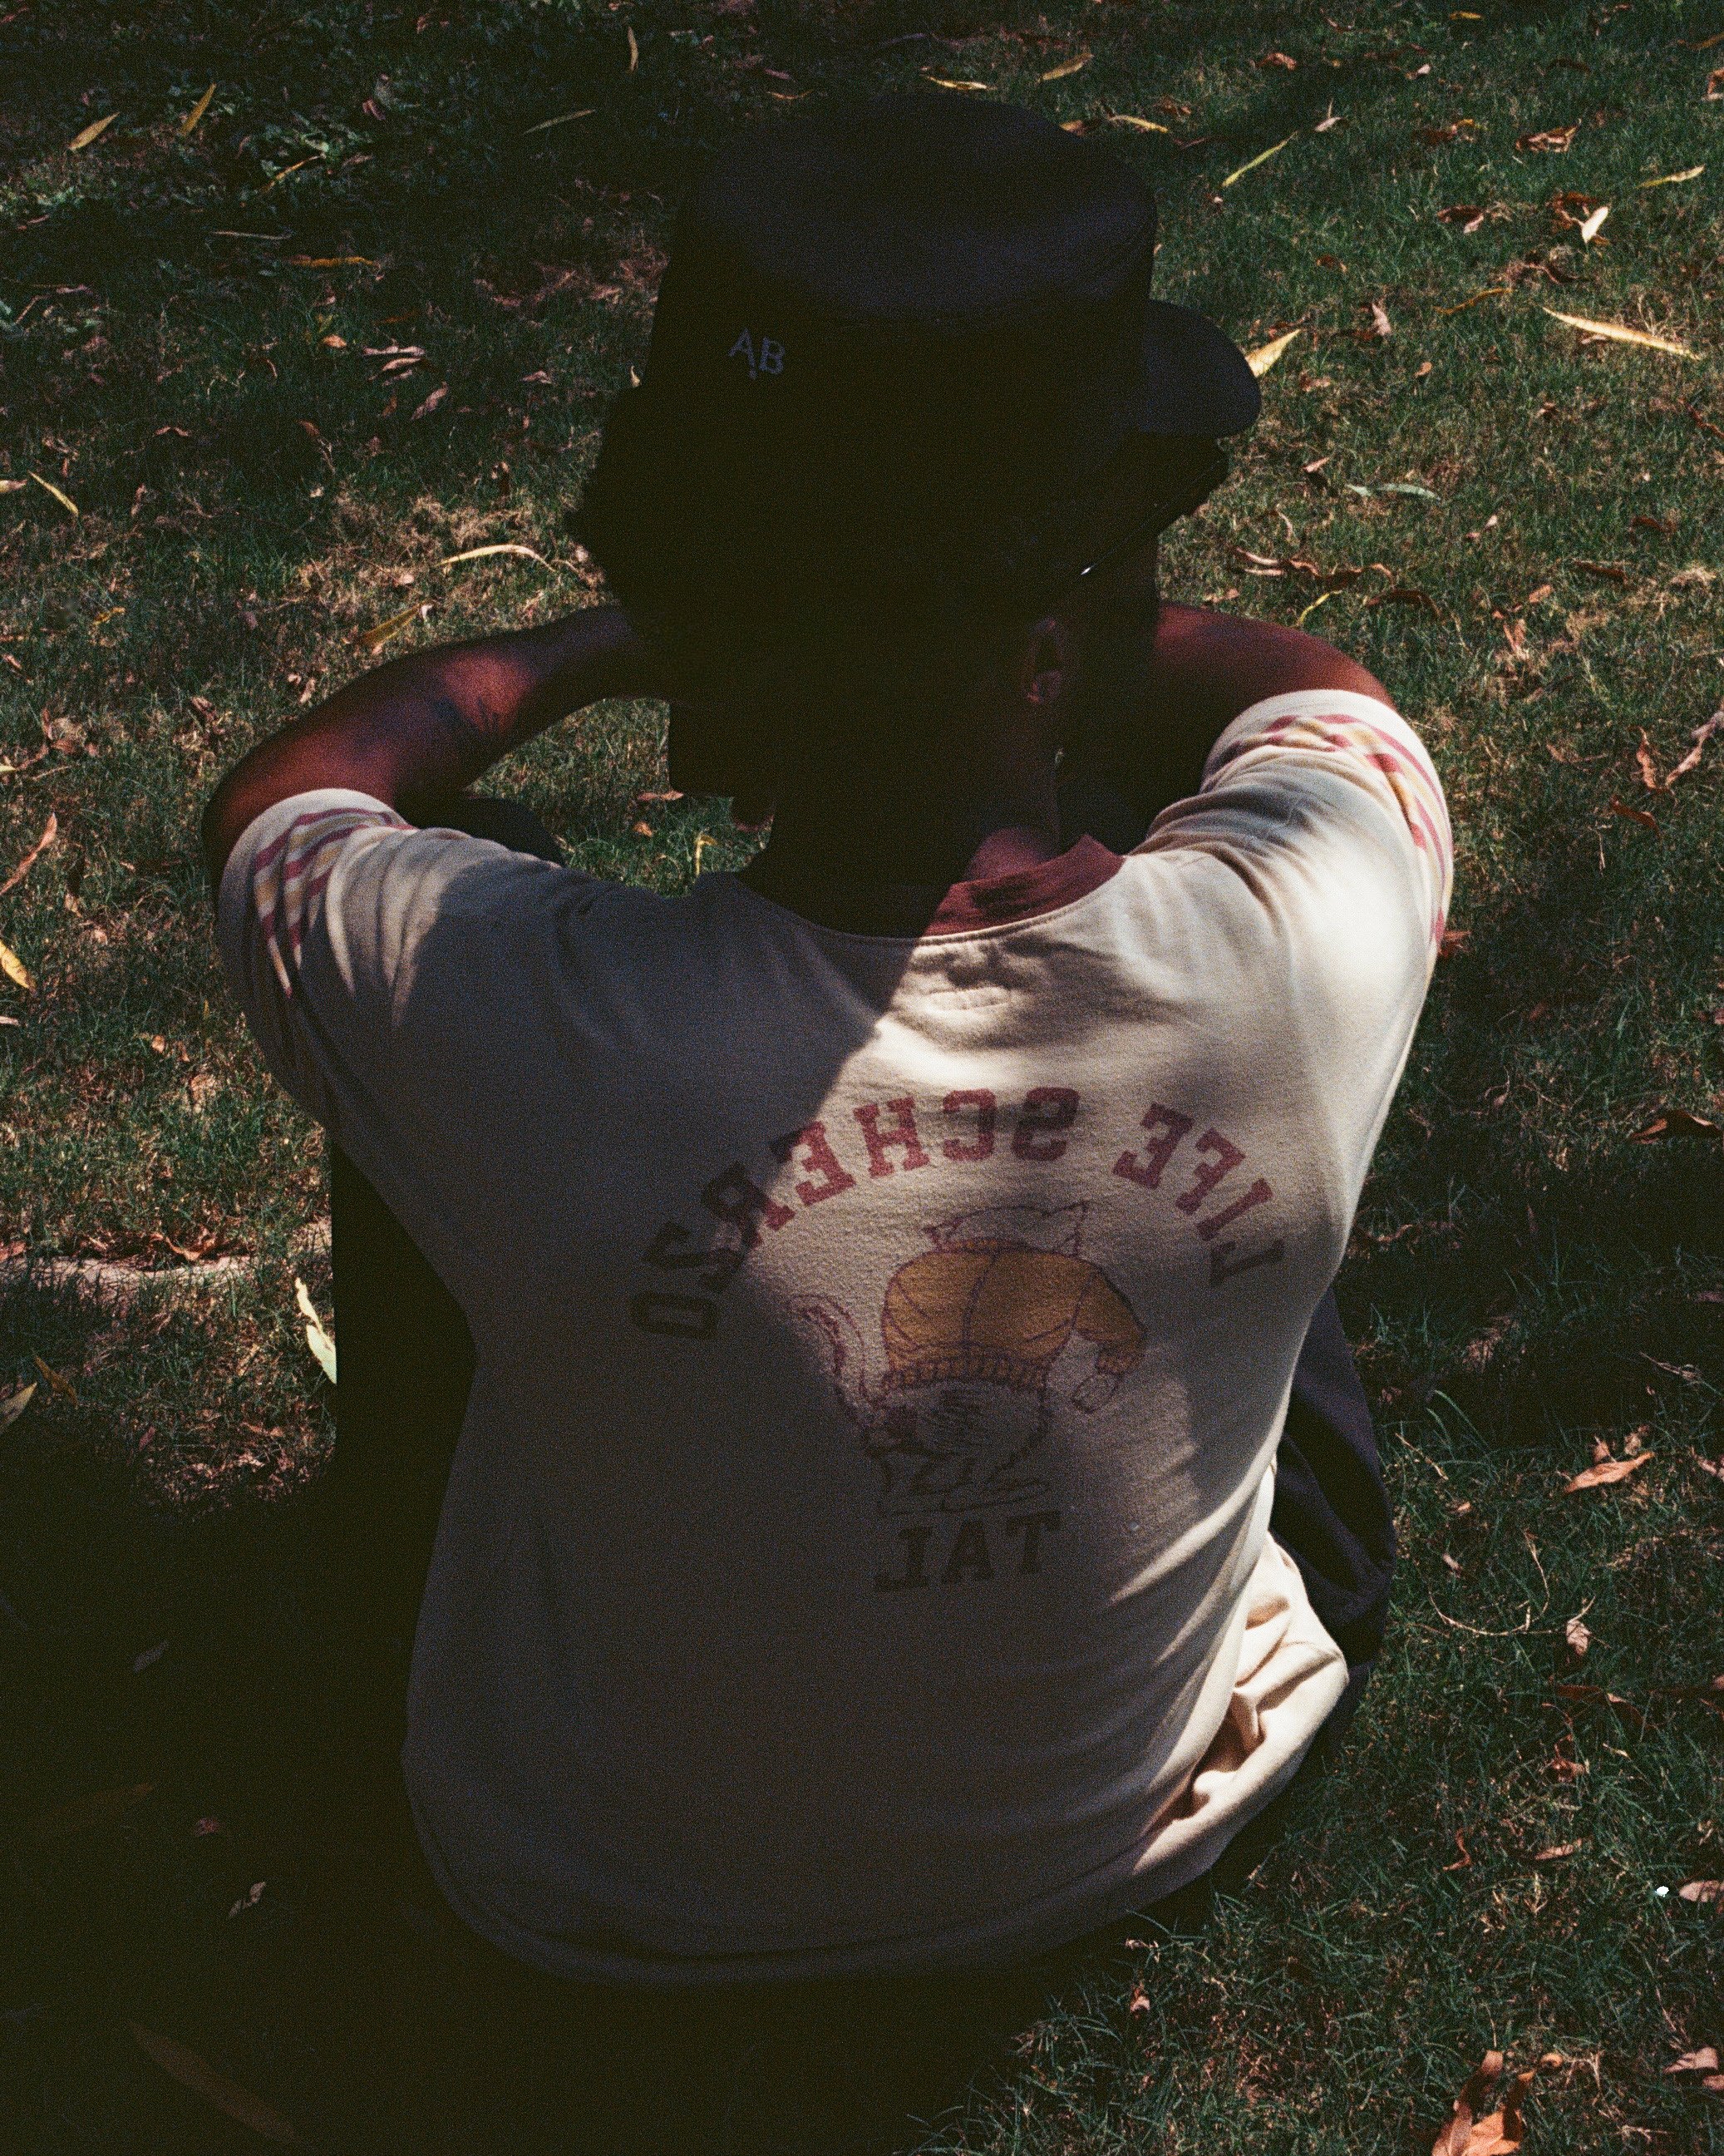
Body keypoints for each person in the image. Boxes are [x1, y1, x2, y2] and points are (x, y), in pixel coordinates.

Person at [204, 92, 1444, 2132]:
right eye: (1126, 544)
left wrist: (629, 640)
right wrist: (1014, 642)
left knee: (443, 991)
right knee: (1235, 1038)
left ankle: (427, 1563)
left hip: (603, 1890)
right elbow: (1318, 691)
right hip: (1159, 1807)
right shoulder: (1303, 922)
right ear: (1054, 636)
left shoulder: (516, 1020)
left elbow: (284, 805)